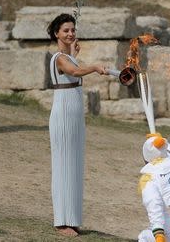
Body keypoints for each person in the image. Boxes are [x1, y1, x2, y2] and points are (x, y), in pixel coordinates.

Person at [47, 14, 107, 237]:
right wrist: (93, 67)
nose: (70, 33)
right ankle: (61, 221)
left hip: (74, 113)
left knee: (74, 165)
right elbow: (73, 72)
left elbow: (73, 68)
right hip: (62, 113)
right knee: (63, 165)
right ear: (56, 33)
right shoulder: (58, 58)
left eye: (72, 30)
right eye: (66, 30)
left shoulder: (68, 56)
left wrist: (75, 54)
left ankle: (72, 218)